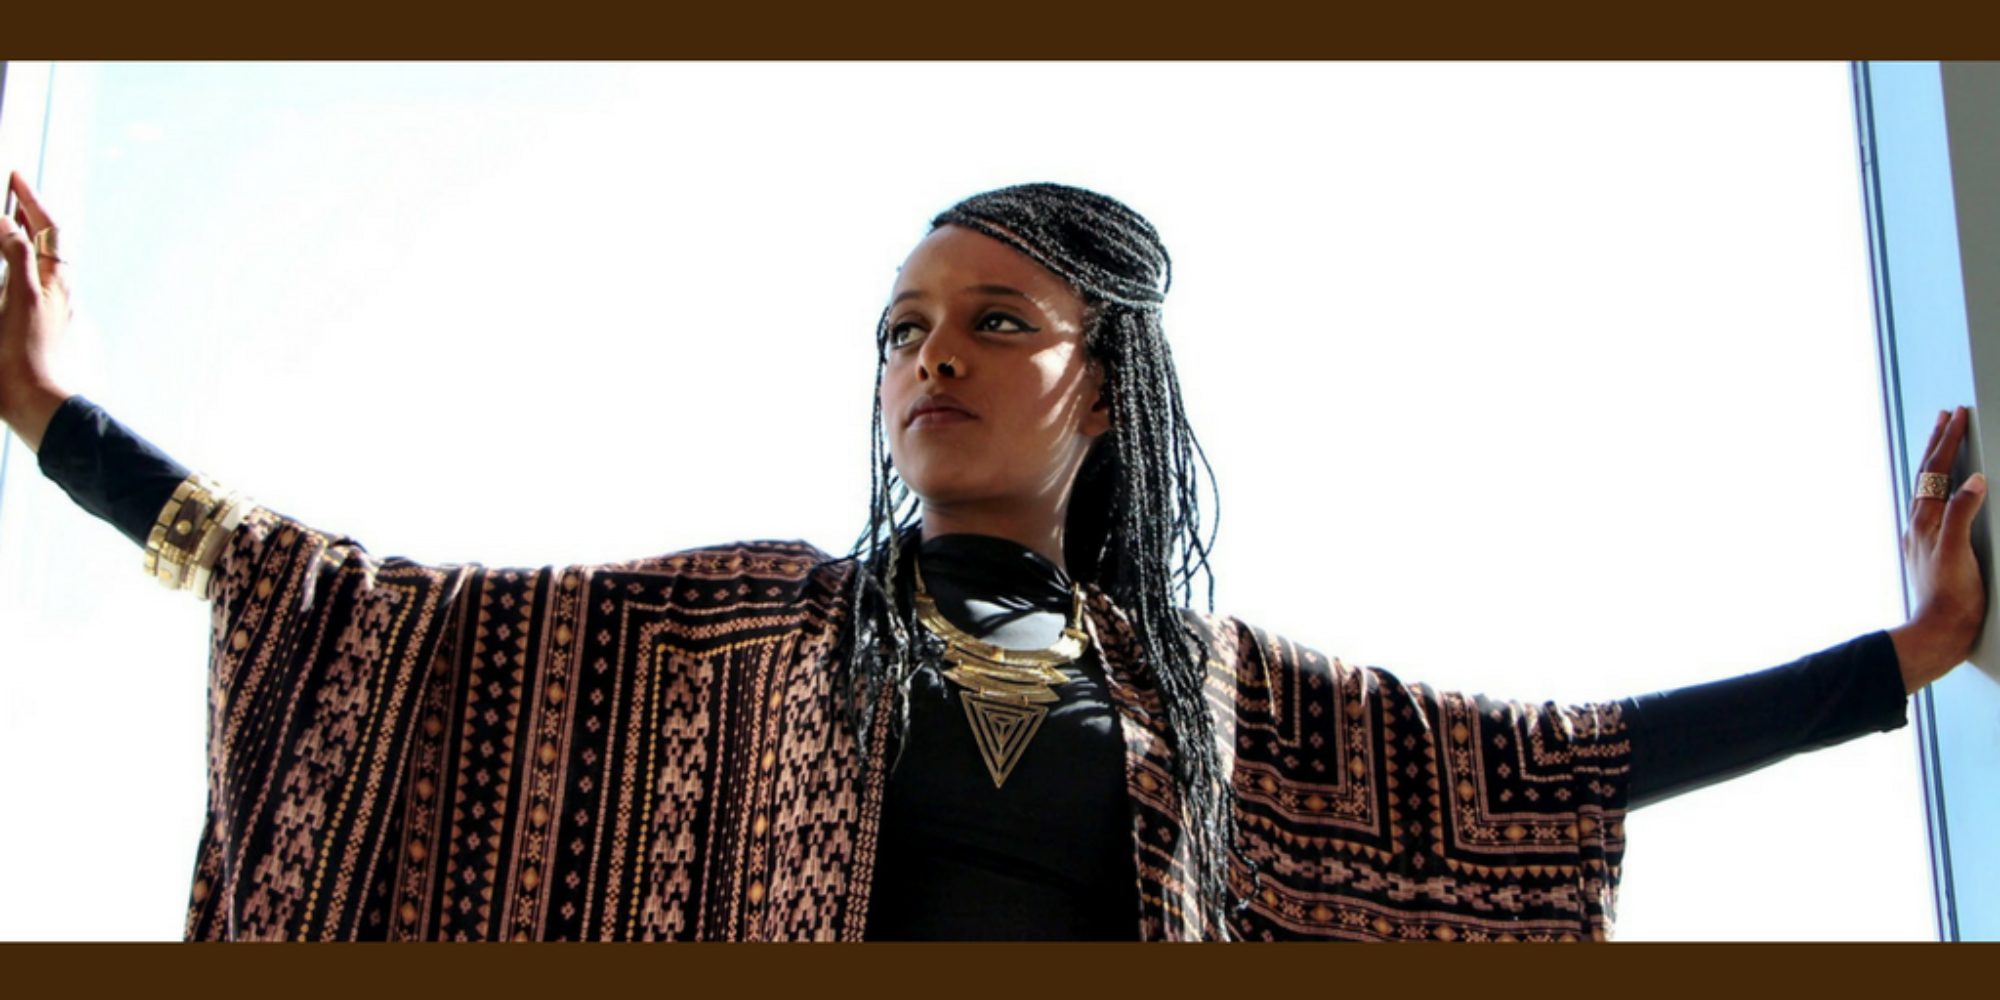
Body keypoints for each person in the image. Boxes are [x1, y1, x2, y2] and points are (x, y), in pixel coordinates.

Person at [0, 173, 1986, 942]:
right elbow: (347, 607)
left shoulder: (1210, 697)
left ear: (1102, 385)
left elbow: (1549, 766)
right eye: (900, 328)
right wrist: (55, 415)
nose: (928, 357)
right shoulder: (737, 623)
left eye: (992, 321)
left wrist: (1904, 656)